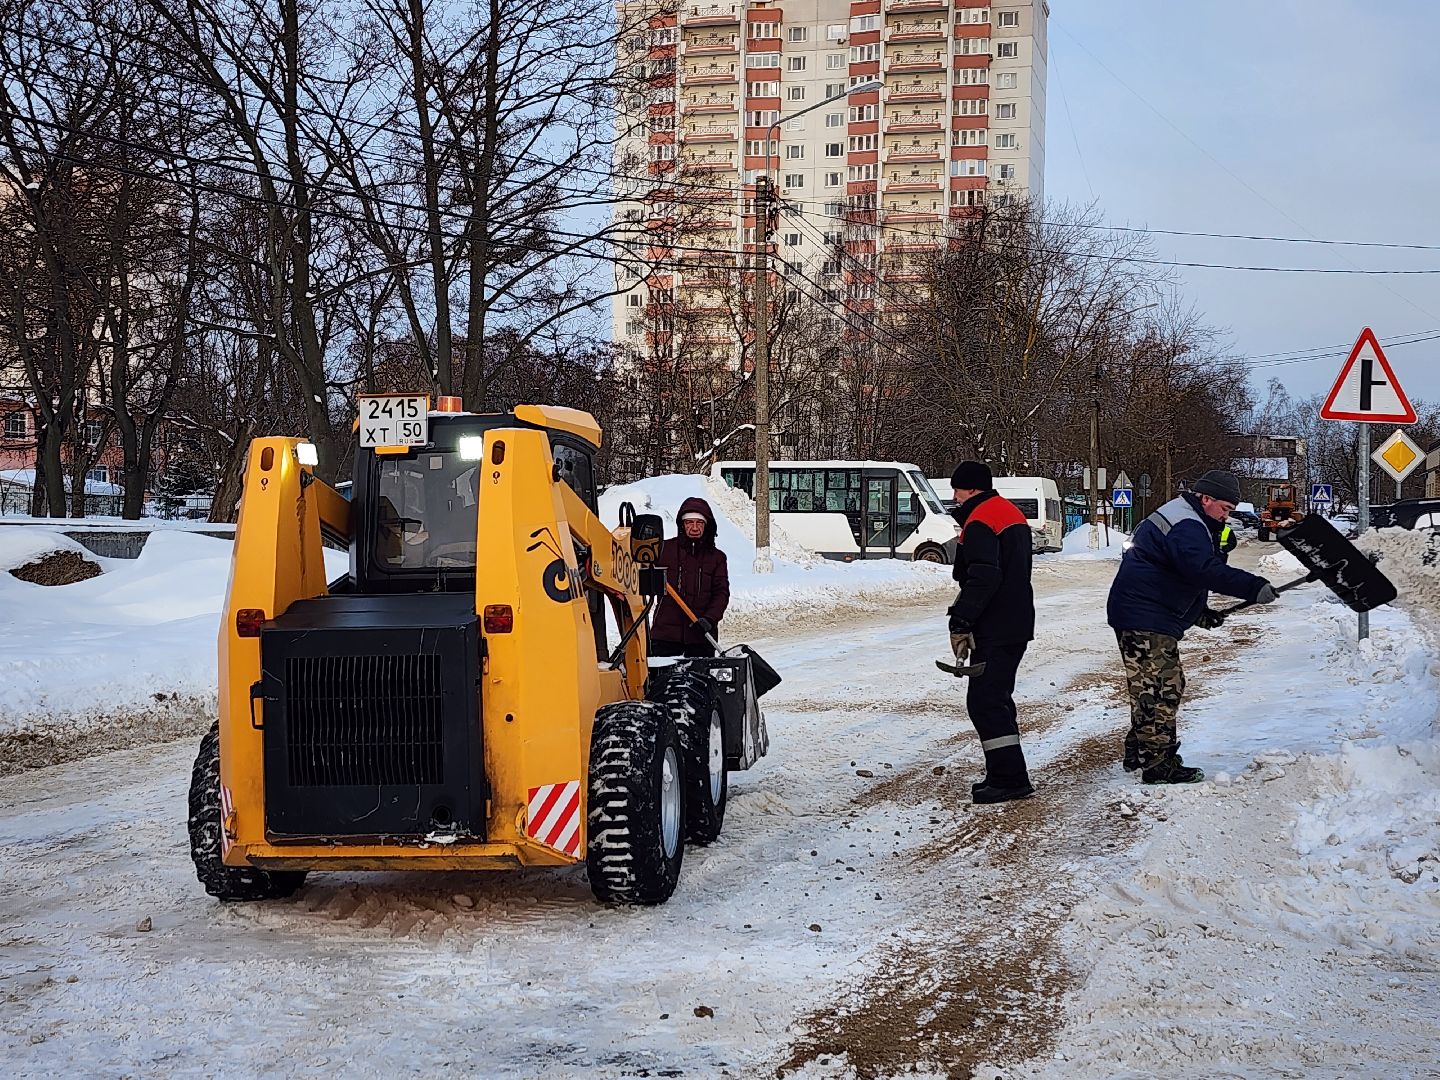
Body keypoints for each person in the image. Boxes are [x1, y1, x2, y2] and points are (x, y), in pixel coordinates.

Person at [1107, 469, 1278, 784]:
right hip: (1143, 614)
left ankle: (1141, 750)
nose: (1226, 517)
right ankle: (1158, 764)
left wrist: (1200, 612)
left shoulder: (1190, 518)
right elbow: (1202, 570)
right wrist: (1252, 586)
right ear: (1206, 498)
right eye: (1225, 509)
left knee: (1157, 685)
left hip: (1146, 612)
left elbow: (1179, 574)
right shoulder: (1187, 524)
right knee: (1160, 687)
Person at [946, 460, 1037, 804]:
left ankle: (1009, 778)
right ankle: (1006, 772)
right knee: (996, 698)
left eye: (957, 489)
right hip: (1015, 619)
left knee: (985, 702)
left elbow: (984, 577)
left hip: (996, 623)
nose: (954, 496)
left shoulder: (981, 519)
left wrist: (962, 619)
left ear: (970, 489)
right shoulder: (1008, 512)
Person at [650, 496, 730, 658]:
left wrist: (709, 619)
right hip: (665, 636)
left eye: (699, 523)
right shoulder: (663, 551)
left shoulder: (716, 558)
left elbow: (721, 593)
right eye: (689, 522)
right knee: (661, 682)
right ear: (682, 525)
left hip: (701, 636)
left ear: (707, 526)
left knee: (701, 681)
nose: (694, 527)